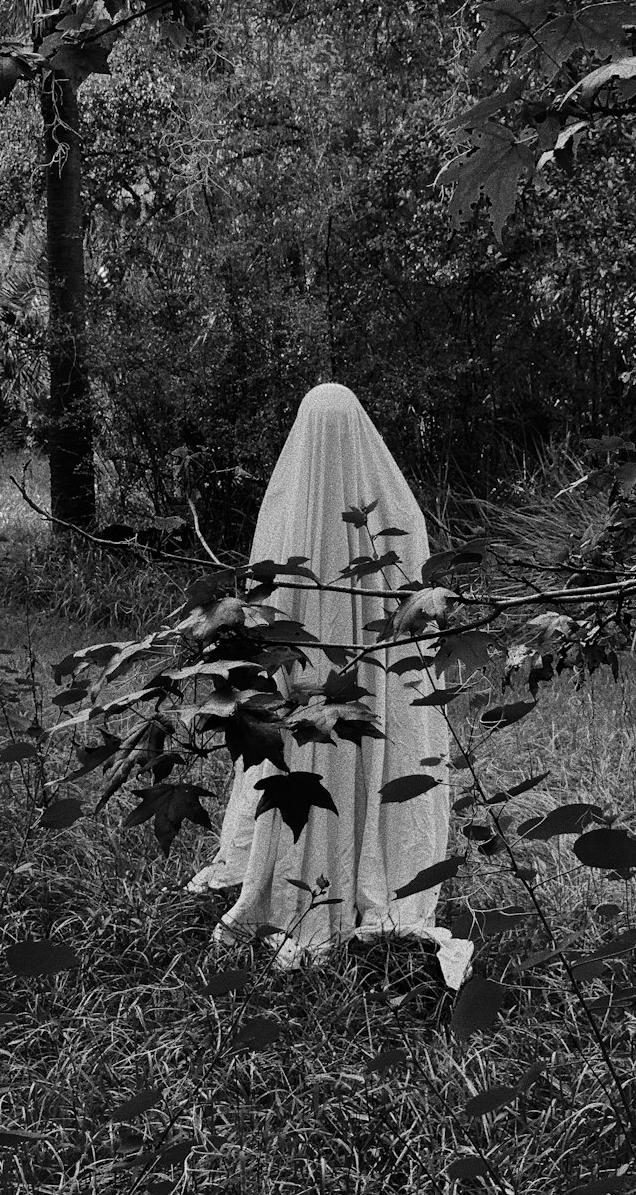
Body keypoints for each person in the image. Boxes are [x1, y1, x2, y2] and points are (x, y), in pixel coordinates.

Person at [189, 383, 473, 987]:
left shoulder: (285, 523)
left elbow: (264, 614)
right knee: (356, 751)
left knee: (311, 754)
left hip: (309, 690)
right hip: (365, 692)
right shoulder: (394, 514)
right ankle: (352, 874)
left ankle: (311, 882)